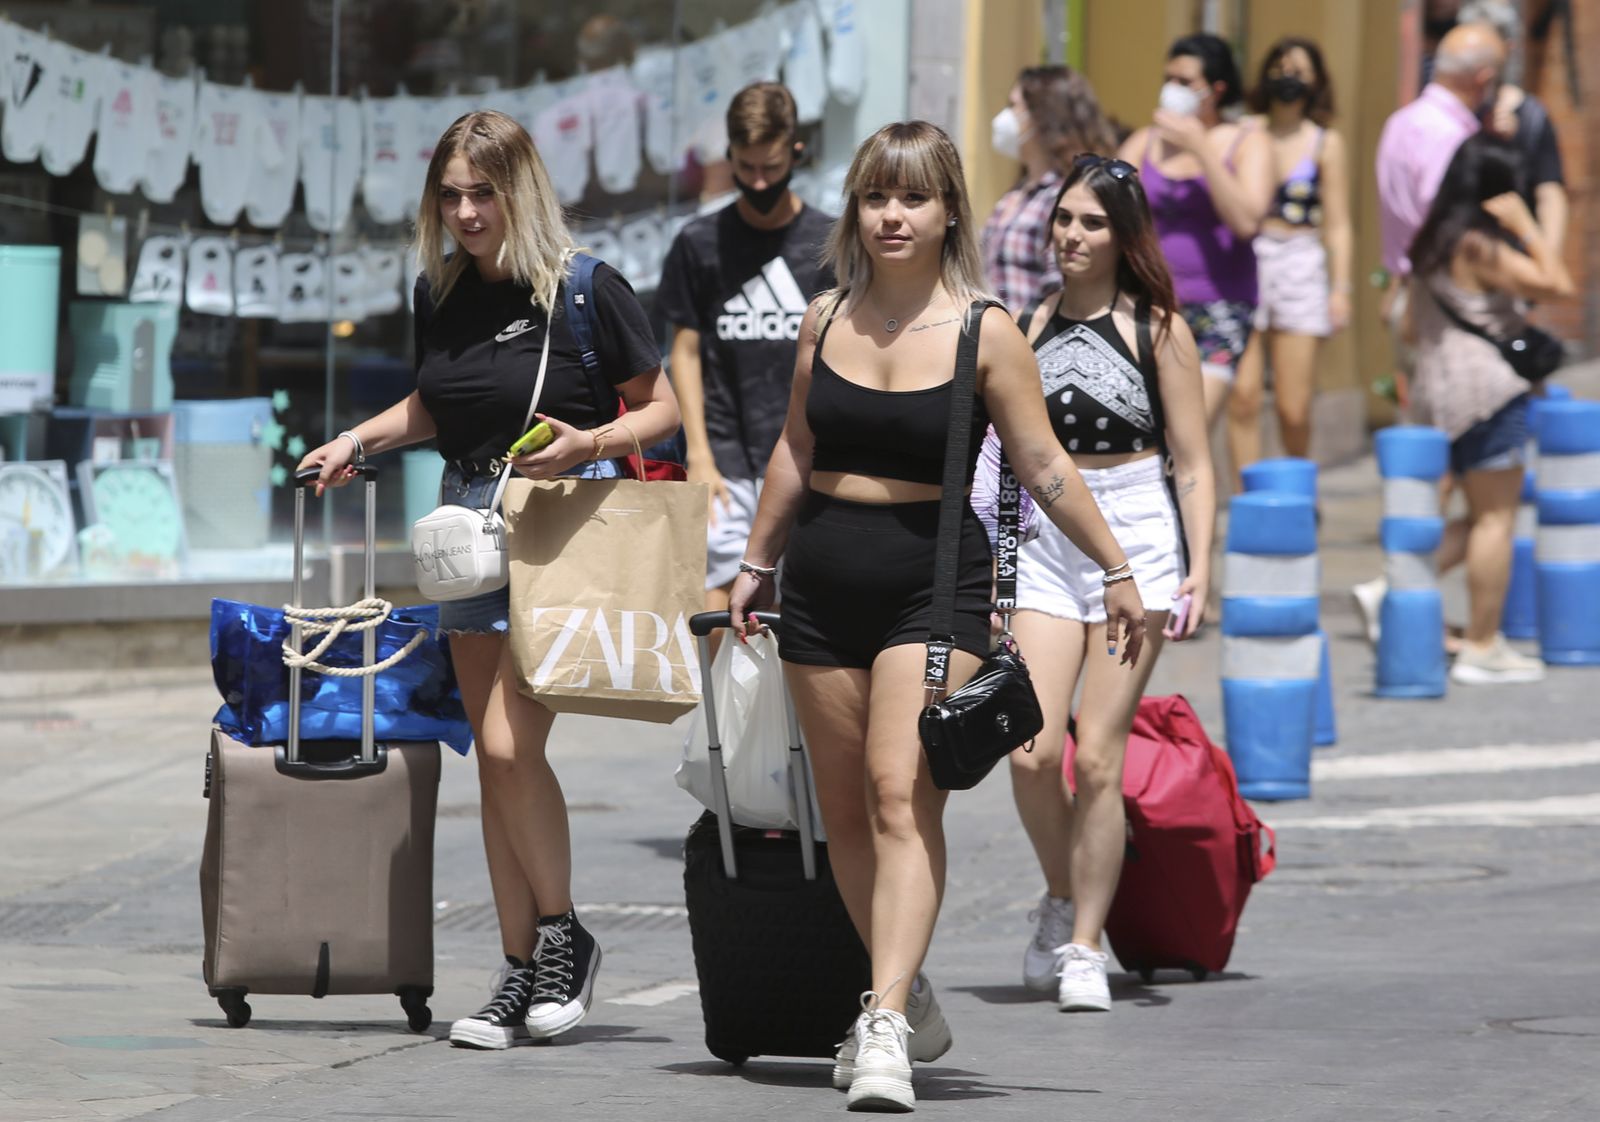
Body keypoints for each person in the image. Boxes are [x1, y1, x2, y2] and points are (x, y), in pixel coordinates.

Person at [727, 121, 1147, 1112]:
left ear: (949, 208)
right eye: (877, 196)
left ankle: (878, 1025)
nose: (892, 215)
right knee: (843, 818)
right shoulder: (824, 318)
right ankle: (903, 991)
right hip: (821, 582)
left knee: (894, 794)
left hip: (933, 584)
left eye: (912, 197)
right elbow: (794, 448)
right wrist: (756, 559)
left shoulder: (983, 328)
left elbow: (1043, 464)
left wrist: (1116, 568)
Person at [296, 111, 680, 1049]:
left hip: (559, 518)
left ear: (521, 188)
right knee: (496, 761)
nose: (466, 212)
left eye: (483, 192)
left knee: (509, 749)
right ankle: (519, 970)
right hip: (465, 526)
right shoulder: (443, 290)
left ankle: (563, 938)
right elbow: (439, 401)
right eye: (451, 195)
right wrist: (354, 440)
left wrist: (591, 440)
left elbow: (664, 409)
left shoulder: (586, 287)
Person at [1000, 155, 1213, 1012]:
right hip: (1047, 533)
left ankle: (1086, 943)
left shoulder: (1159, 327)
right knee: (1029, 749)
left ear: (1124, 236)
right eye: (1064, 219)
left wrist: (1200, 567)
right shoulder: (1027, 321)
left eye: (1092, 222)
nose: (1072, 236)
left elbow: (1194, 464)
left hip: (1138, 525)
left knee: (1096, 758)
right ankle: (1060, 895)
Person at [657, 82, 834, 622]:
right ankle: (717, 712)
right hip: (726, 454)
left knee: (793, 607)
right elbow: (683, 352)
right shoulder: (699, 242)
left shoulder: (828, 243)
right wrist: (700, 455)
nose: (759, 180)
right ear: (729, 157)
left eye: (772, 166)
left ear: (795, 153)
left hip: (808, 455)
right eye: (747, 166)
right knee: (717, 596)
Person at [1406, 133, 1572, 684]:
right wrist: (1527, 227)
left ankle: (1392, 587)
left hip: (1439, 390)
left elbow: (1409, 323)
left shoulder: (1431, 240)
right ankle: (1482, 643)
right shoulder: (1479, 244)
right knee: (1495, 520)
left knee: (1474, 515)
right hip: (1489, 393)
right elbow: (1558, 284)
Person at [1358, 22, 1505, 641]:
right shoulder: (1453, 136)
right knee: (1462, 469)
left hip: (1412, 297)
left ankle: (1399, 586)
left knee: (1435, 459)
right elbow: (1457, 231)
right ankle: (1397, 587)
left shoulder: (1403, 122)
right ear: (1485, 79)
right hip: (1451, 308)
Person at [1119, 33, 1274, 430]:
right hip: (1152, 302)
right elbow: (1108, 204)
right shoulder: (1145, 141)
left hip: (1220, 306)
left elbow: (1246, 222)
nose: (1172, 89)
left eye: (1185, 82)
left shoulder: (1247, 141)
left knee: (1188, 429)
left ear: (1216, 90)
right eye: (1169, 78)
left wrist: (1201, 149)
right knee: (1149, 430)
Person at [1227, 37, 1352, 479]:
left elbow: (1337, 222)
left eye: (1300, 70)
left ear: (1317, 80)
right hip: (1249, 256)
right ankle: (1250, 503)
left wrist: (1340, 288)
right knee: (1241, 397)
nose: (1288, 78)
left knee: (1293, 407)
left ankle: (1298, 492)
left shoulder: (1324, 142)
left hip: (1300, 261)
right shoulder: (1247, 131)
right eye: (1280, 68)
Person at [981, 64, 1118, 311]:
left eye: (1014, 106)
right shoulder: (1018, 191)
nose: (1004, 117)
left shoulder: (1063, 197)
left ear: (1042, 116)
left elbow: (1060, 286)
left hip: (1032, 342)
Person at [1458, 0, 1569, 249]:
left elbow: (1550, 194)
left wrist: (1547, 262)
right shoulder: (1449, 114)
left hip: (1515, 255)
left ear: (1508, 48)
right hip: (1460, 259)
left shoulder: (1531, 116)